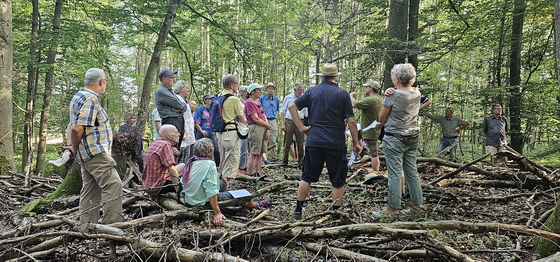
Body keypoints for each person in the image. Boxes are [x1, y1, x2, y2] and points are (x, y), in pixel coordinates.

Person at [288, 63, 362, 218]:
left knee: (307, 176)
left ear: (322, 76)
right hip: (335, 142)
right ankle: (335, 213)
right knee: (337, 178)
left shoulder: (312, 91)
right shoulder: (342, 94)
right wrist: (356, 142)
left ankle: (298, 209)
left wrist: (302, 127)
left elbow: (292, 107)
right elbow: (352, 121)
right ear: (336, 77)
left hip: (314, 140)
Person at [66, 68, 122, 224]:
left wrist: (74, 147)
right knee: (113, 185)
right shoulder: (90, 98)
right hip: (95, 152)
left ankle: (87, 227)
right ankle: (113, 226)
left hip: (86, 154)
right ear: (101, 82)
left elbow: (71, 125)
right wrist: (74, 147)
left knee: (91, 190)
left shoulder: (78, 96)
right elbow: (77, 128)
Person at [181, 138, 270, 226]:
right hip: (202, 201)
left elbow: (183, 183)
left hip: (190, 200)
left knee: (222, 184)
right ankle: (257, 205)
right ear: (208, 151)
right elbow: (211, 191)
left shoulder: (191, 162)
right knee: (244, 195)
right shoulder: (209, 164)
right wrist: (217, 213)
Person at [373, 63, 423, 216]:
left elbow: (381, 118)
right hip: (412, 137)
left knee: (394, 174)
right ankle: (416, 207)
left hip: (394, 138)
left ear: (396, 78)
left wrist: (388, 95)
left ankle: (392, 209)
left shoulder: (392, 95)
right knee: (411, 172)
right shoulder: (417, 93)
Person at [216, 74, 247, 184]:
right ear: (232, 85)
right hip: (231, 133)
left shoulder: (218, 97)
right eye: (237, 84)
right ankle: (224, 192)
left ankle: (219, 189)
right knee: (230, 164)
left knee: (222, 164)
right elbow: (242, 119)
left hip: (220, 134)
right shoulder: (234, 99)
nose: (237, 87)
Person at [142, 125, 185, 196]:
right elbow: (171, 169)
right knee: (189, 176)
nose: (179, 134)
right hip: (158, 187)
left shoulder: (156, 143)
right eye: (176, 132)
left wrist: (175, 155)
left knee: (183, 166)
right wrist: (178, 190)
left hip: (149, 185)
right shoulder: (165, 144)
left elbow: (169, 165)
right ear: (169, 136)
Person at [350, 80, 383, 171]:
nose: (364, 89)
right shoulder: (378, 98)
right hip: (368, 129)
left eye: (366, 87)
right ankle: (358, 152)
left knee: (373, 153)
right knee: (357, 137)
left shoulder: (371, 100)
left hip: (370, 131)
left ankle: (375, 174)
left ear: (371, 88)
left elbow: (353, 104)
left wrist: (351, 96)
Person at [155, 69, 188, 151]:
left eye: (174, 77)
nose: (174, 80)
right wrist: (181, 107)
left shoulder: (170, 91)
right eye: (172, 77)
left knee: (177, 149)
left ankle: (175, 163)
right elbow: (180, 105)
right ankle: (170, 163)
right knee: (172, 149)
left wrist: (181, 108)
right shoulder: (161, 91)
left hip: (178, 120)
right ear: (164, 79)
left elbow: (184, 106)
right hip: (171, 121)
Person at [244, 83, 271, 177]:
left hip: (263, 127)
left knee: (261, 152)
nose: (260, 92)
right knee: (254, 152)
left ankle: (257, 172)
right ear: (252, 92)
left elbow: (263, 116)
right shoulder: (249, 103)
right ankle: (250, 174)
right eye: (258, 90)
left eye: (260, 90)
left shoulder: (258, 102)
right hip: (255, 127)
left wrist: (267, 129)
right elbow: (255, 118)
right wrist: (267, 125)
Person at [280, 82, 306, 167]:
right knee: (287, 142)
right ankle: (284, 162)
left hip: (300, 121)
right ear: (294, 90)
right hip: (289, 121)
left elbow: (306, 112)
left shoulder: (304, 98)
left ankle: (301, 162)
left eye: (302, 90)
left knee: (300, 142)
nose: (301, 92)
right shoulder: (288, 98)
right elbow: (282, 111)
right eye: (299, 90)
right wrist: (283, 124)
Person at [172, 80, 196, 163]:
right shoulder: (178, 100)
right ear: (181, 88)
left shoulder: (182, 100)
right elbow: (181, 117)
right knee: (183, 158)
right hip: (184, 135)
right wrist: (184, 132)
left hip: (189, 133)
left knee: (188, 157)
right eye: (186, 88)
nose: (188, 89)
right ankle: (181, 175)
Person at [193, 94, 220, 165]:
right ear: (205, 100)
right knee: (200, 149)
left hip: (211, 132)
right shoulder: (201, 108)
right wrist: (201, 131)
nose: (211, 100)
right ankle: (198, 164)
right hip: (202, 132)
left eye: (212, 99)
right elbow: (195, 122)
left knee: (216, 149)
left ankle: (217, 166)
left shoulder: (212, 109)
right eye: (209, 99)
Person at [259, 83, 280, 162]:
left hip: (273, 120)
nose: (271, 90)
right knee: (264, 139)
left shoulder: (276, 99)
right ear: (266, 89)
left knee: (273, 139)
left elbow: (277, 109)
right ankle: (264, 158)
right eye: (269, 88)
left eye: (272, 88)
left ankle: (273, 157)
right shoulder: (262, 98)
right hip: (264, 120)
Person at [238, 85, 249, 174]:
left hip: (250, 127)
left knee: (250, 148)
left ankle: (248, 166)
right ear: (243, 93)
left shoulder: (250, 102)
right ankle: (241, 167)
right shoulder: (239, 103)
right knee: (242, 148)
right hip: (242, 128)